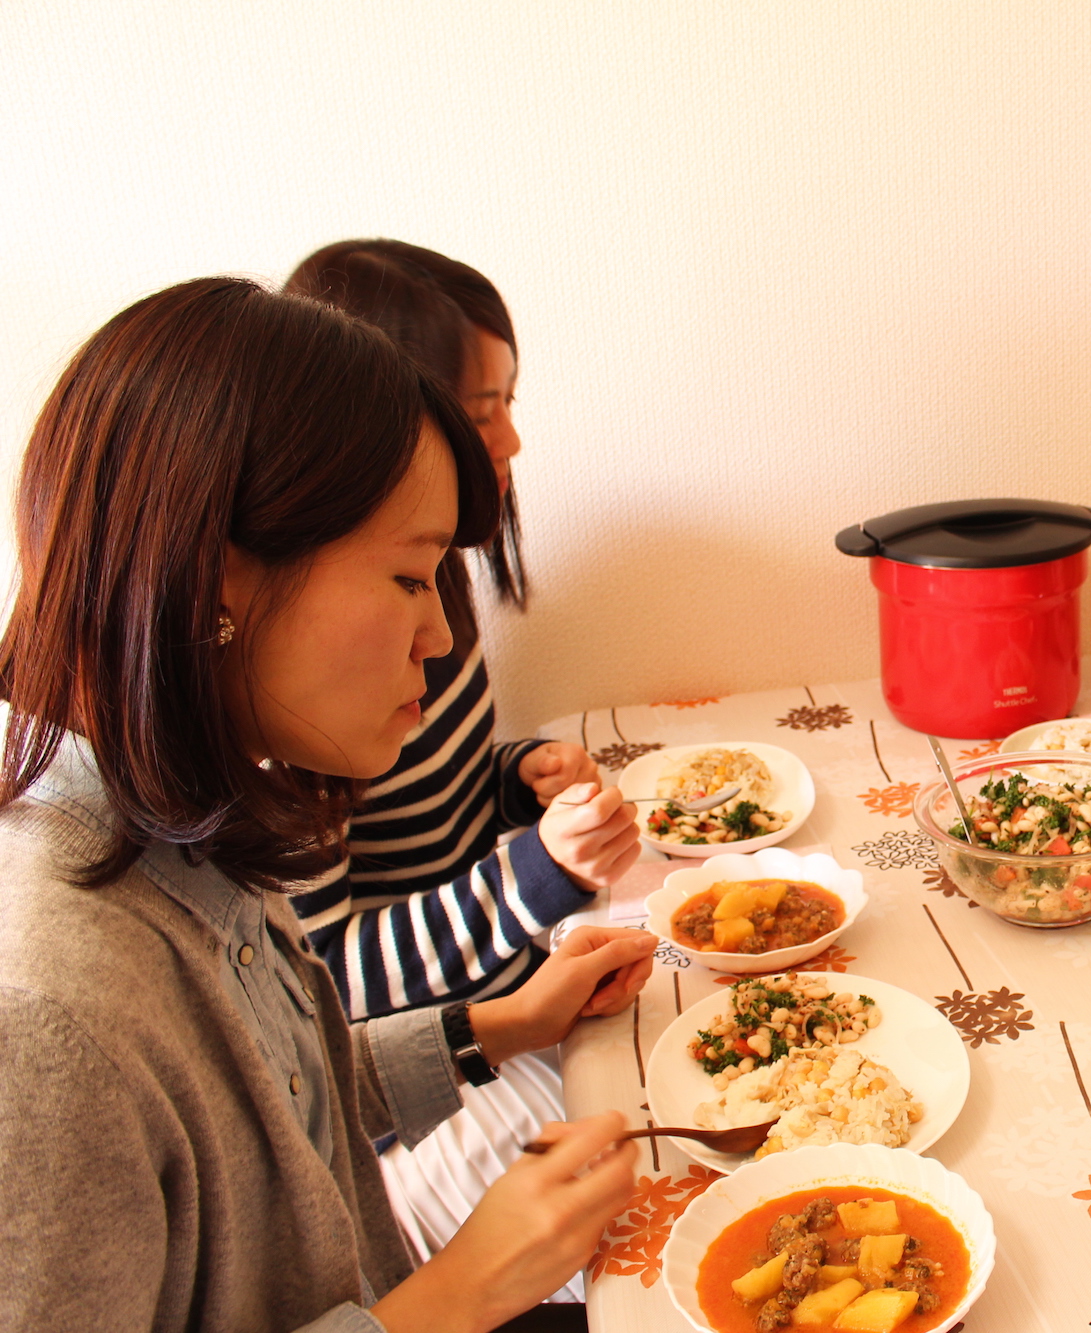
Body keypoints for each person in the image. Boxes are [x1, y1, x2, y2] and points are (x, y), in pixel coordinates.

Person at [0, 277, 655, 1331]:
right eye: (408, 579)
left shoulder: (179, 806)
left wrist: (496, 1027)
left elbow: (269, 1101)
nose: (439, 636)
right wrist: (456, 1294)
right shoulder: (44, 1020)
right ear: (216, 574)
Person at [283, 242, 640, 1280]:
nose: (511, 439)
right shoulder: (297, 682)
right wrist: (531, 878)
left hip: (494, 1006)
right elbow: (320, 990)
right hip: (403, 1090)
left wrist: (515, 773)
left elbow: (420, 793)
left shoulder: (434, 576)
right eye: (482, 410)